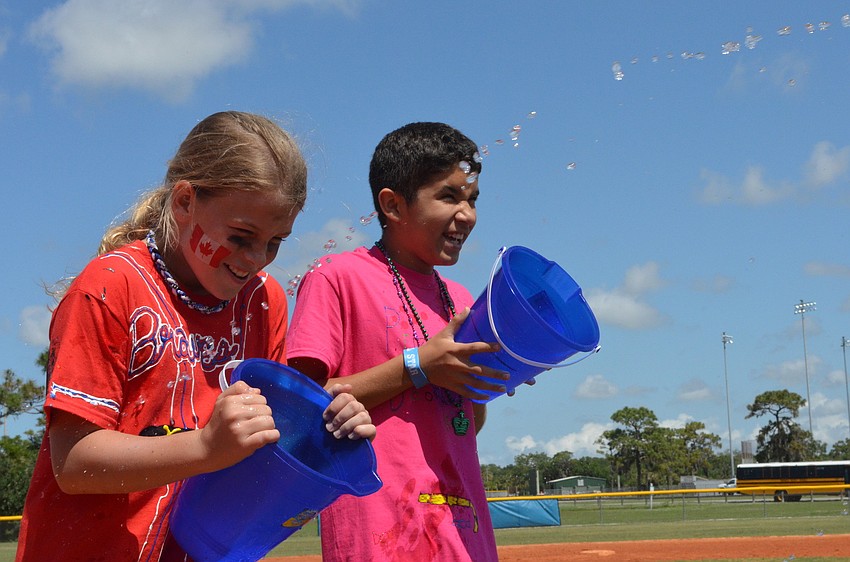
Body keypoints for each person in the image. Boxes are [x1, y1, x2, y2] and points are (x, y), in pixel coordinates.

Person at [16, 111, 376, 562]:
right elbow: (73, 463)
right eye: (242, 236)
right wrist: (205, 447)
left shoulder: (263, 305)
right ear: (185, 201)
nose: (257, 259)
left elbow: (262, 445)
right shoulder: (110, 289)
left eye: (276, 242)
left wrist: (324, 429)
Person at [287, 121, 510, 561]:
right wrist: (418, 366)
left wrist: (492, 377)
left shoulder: (462, 300)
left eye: (472, 199)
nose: (467, 215)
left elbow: (466, 422)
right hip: (382, 535)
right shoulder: (335, 276)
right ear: (393, 205)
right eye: (449, 196)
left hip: (464, 533)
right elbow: (302, 411)